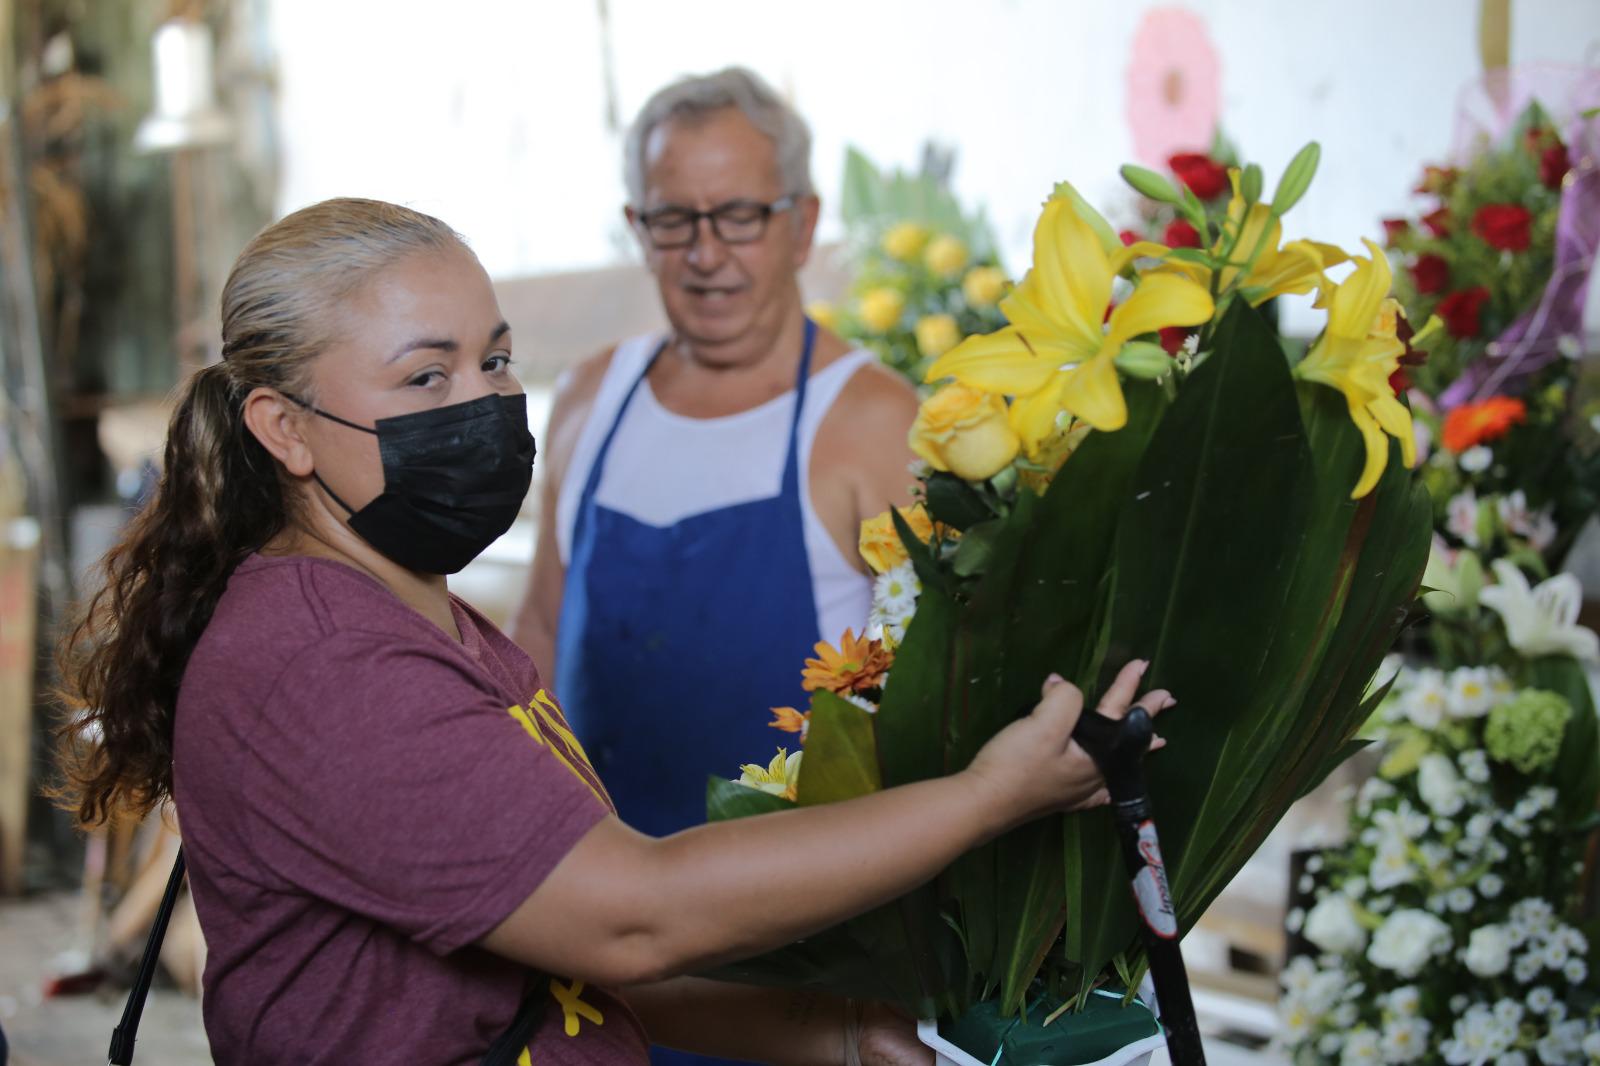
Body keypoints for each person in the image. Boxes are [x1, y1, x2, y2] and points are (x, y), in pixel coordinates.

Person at [54, 198, 1171, 1065]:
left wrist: (824, 1033)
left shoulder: (426, 614)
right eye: (424, 375)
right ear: (283, 428)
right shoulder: (321, 661)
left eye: (493, 360)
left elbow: (545, 946)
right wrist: (991, 795)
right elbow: (629, 920)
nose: (483, 405)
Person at [511, 68, 921, 839]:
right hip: (601, 902)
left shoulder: (875, 421)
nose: (706, 254)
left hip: (799, 924)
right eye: (674, 219)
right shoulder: (589, 398)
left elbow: (938, 699)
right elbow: (538, 627)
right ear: (639, 228)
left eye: (739, 216)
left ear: (801, 225)